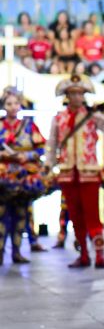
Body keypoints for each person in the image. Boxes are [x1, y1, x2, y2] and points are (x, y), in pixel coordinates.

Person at [45, 74, 104, 268]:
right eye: (72, 93)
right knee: (75, 216)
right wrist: (48, 165)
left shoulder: (93, 116)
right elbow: (52, 143)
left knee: (93, 215)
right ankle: (83, 255)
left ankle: (99, 255)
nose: (76, 97)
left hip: (88, 173)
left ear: (85, 95)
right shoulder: (59, 118)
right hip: (66, 173)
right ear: (66, 95)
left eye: (80, 93)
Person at [0, 89, 47, 265]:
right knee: (1, 214)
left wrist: (26, 157)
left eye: (15, 103)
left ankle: (17, 251)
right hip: (3, 178)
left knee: (21, 213)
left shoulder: (29, 126)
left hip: (24, 176)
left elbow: (41, 149)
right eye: (8, 104)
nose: (12, 107)